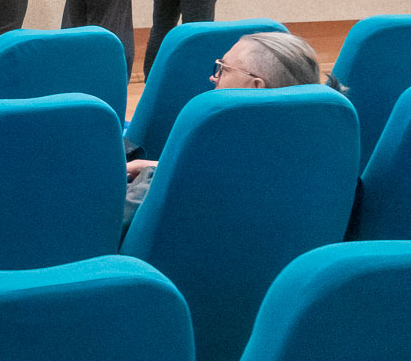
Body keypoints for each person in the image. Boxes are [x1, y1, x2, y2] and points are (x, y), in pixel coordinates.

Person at [124, 32, 323, 224]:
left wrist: (154, 175)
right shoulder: (316, 159)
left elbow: (114, 222)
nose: (213, 77)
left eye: (223, 68)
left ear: (256, 86)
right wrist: (163, 166)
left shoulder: (203, 166)